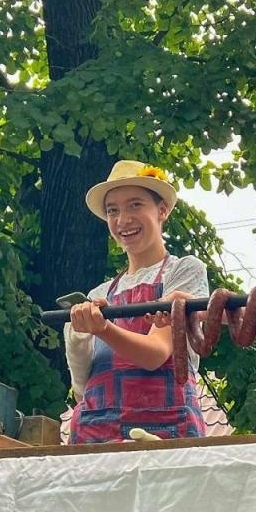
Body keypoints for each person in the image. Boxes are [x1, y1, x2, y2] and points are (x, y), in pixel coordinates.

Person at [64, 160, 209, 443]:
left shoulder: (182, 271)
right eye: (112, 210)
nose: (123, 220)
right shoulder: (99, 293)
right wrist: (76, 337)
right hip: (96, 431)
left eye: (135, 205)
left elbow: (156, 354)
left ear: (162, 210)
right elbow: (81, 387)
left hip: (168, 429)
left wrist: (103, 329)